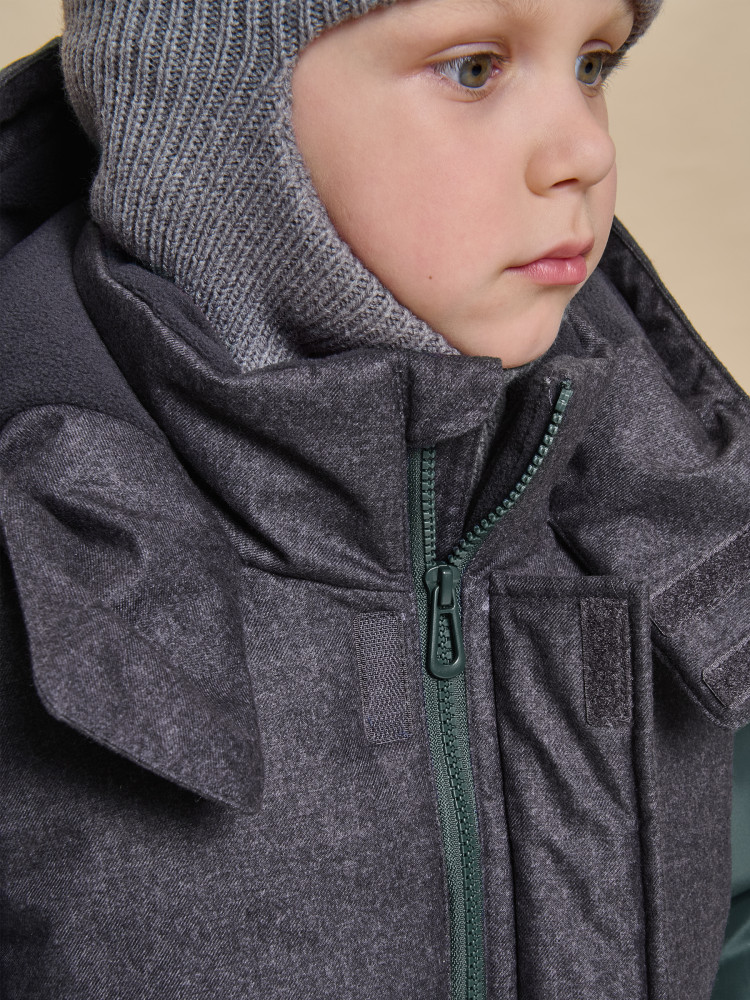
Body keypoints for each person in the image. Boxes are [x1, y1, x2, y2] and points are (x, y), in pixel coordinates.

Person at [0, 0, 748, 997]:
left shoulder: (688, 521)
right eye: (474, 68)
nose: (584, 151)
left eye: (593, 64)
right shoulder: (35, 555)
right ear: (211, 110)